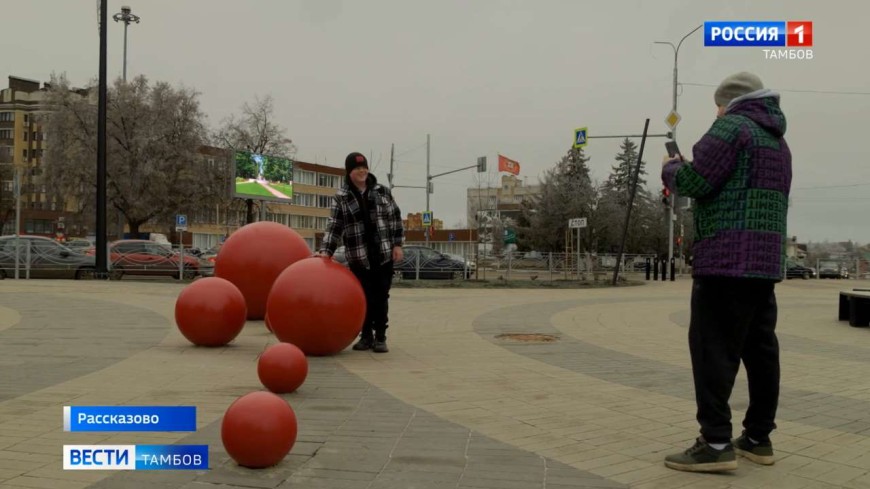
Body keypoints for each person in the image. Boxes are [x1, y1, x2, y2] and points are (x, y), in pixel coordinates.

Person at [660, 72, 792, 472]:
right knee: (760, 350)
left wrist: (671, 169)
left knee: (712, 350)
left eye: (718, 104)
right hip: (763, 262)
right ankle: (757, 438)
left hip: (725, 259)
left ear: (729, 101)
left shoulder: (731, 126)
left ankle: (715, 443)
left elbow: (698, 181)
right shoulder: (778, 140)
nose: (716, 111)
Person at [318, 152, 404, 353]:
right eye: (357, 168)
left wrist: (397, 245)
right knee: (363, 297)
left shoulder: (382, 192)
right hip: (358, 256)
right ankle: (365, 336)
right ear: (349, 172)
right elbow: (334, 225)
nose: (362, 171)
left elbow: (395, 219)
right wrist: (326, 251)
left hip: (383, 254)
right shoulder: (342, 197)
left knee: (381, 297)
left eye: (364, 167)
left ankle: (381, 337)